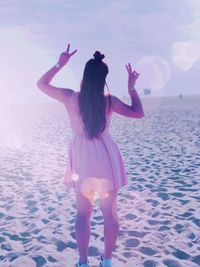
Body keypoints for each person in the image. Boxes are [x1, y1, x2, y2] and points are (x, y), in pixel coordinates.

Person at [37, 43, 144, 267]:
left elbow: (41, 84)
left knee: (83, 214)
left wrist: (60, 64)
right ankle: (106, 262)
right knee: (109, 213)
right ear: (103, 79)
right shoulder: (109, 101)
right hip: (105, 155)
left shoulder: (69, 97)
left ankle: (83, 262)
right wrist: (131, 87)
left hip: (82, 157)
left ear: (85, 75)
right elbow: (138, 113)